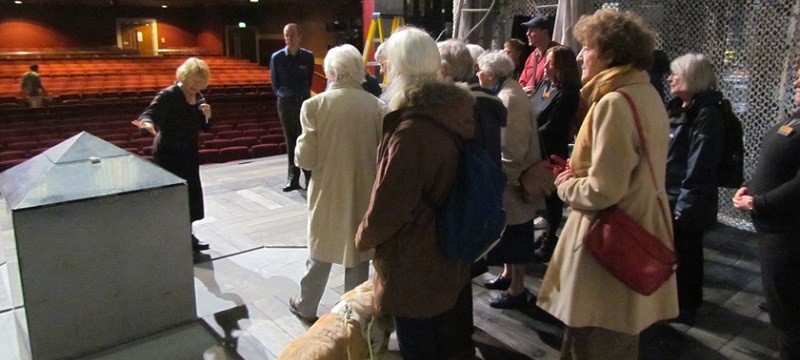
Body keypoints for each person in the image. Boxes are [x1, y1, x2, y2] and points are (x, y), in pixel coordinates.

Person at [536, 10, 678, 359]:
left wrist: (563, 182)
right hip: (635, 229)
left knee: (596, 341)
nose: (581, 55)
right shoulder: (645, 93)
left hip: (607, 247)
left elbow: (603, 190)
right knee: (615, 339)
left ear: (611, 53)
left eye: (587, 47)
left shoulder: (614, 102)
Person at [354, 27, 474, 358]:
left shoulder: (411, 129)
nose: (384, 70)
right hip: (450, 248)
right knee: (442, 340)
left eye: (388, 63)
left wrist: (363, 237)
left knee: (419, 345)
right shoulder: (455, 112)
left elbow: (389, 208)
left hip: (415, 260)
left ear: (399, 67)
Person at [288, 44, 387, 324]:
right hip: (364, 189)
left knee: (320, 250)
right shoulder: (378, 107)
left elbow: (305, 159)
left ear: (330, 71)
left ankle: (306, 305)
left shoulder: (314, 106)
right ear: (359, 71)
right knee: (357, 255)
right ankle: (350, 314)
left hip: (327, 190)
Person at [437, 38, 506, 358]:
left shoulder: (462, 105)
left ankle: (456, 344)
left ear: (446, 70)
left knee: (453, 281)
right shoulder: (485, 101)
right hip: (481, 200)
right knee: (461, 280)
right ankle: (461, 338)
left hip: (464, 201)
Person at [732, 58, 800, 360]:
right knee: (781, 301)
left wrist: (758, 202)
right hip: (775, 228)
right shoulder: (795, 118)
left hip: (790, 232)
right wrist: (750, 186)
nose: (796, 83)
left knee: (791, 315)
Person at [476, 50, 541, 309]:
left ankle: (517, 289)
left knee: (517, 234)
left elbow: (511, 146)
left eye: (480, 70)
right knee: (511, 233)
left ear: (492, 74)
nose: (478, 74)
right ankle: (507, 276)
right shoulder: (507, 92)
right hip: (512, 178)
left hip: (514, 180)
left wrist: (505, 178)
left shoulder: (509, 98)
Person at [665, 53, 725, 325]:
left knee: (687, 253)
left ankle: (686, 304)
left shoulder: (707, 114)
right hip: (674, 193)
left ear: (692, 78)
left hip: (686, 197)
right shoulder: (681, 108)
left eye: (676, 74)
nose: (670, 78)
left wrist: (684, 205)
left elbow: (699, 164)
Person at [132, 57, 213, 252]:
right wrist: (148, 125)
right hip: (169, 153)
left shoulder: (198, 96)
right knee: (174, 197)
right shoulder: (169, 95)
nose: (197, 87)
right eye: (194, 82)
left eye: (201, 83)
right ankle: (172, 238)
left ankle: (187, 236)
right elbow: (146, 117)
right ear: (184, 76)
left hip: (188, 152)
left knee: (190, 195)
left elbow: (203, 126)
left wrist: (207, 115)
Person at [530, 45, 581, 262]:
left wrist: (529, 134)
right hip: (535, 145)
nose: (546, 67)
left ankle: (550, 238)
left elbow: (555, 126)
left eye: (550, 63)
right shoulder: (545, 84)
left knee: (552, 199)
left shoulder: (568, 93)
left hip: (551, 149)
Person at [270, 23, 315, 192]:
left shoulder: (307, 57)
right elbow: (275, 84)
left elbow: (309, 80)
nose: (288, 38)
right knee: (291, 140)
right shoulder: (277, 58)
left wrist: (301, 96)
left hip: (303, 102)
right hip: (286, 104)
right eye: (286, 35)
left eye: (291, 35)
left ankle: (309, 175)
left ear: (299, 36)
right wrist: (287, 96)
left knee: (305, 137)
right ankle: (293, 177)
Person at [518, 15, 559, 97]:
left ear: (544, 32)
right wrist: (522, 91)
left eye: (531, 30)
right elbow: (522, 82)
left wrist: (541, 97)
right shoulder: (532, 56)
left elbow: (557, 86)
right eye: (527, 30)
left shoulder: (557, 53)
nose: (527, 34)